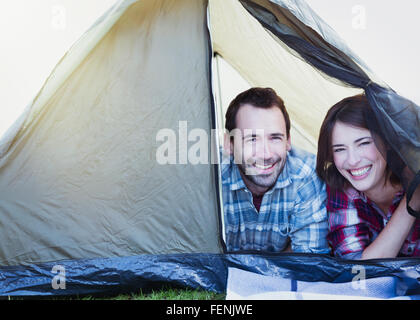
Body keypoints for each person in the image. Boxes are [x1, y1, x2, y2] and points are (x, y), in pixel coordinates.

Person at [221, 87, 330, 254]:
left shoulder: (306, 175)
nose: (265, 154)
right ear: (229, 144)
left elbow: (308, 259)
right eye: (252, 139)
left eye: (275, 138)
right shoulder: (208, 179)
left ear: (288, 141)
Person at [316, 94, 419, 260]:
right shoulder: (341, 187)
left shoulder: (413, 173)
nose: (352, 160)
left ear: (387, 141)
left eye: (364, 143)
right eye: (340, 149)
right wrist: (413, 201)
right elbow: (357, 268)